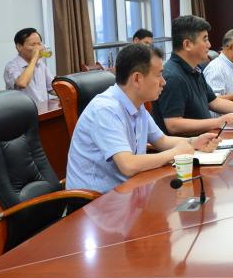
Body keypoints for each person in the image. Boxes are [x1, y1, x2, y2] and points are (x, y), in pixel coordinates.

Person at [66, 44, 220, 193]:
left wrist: (194, 142)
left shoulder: (137, 106)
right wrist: (175, 153)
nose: (163, 82)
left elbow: (162, 141)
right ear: (137, 79)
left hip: (129, 190)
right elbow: (128, 165)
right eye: (158, 75)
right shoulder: (105, 109)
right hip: (95, 201)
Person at [152, 15, 233, 136]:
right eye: (205, 39)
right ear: (187, 44)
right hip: (188, 145)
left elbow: (214, 102)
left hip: (207, 137)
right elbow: (173, 125)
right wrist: (218, 122)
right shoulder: (173, 76)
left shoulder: (195, 69)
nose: (209, 45)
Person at [4, 27, 54, 104]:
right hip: (23, 110)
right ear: (19, 47)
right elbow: (22, 83)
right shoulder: (11, 66)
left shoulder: (40, 64)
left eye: (39, 44)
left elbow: (51, 88)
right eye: (33, 44)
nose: (38, 48)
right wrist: (34, 59)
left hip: (43, 109)